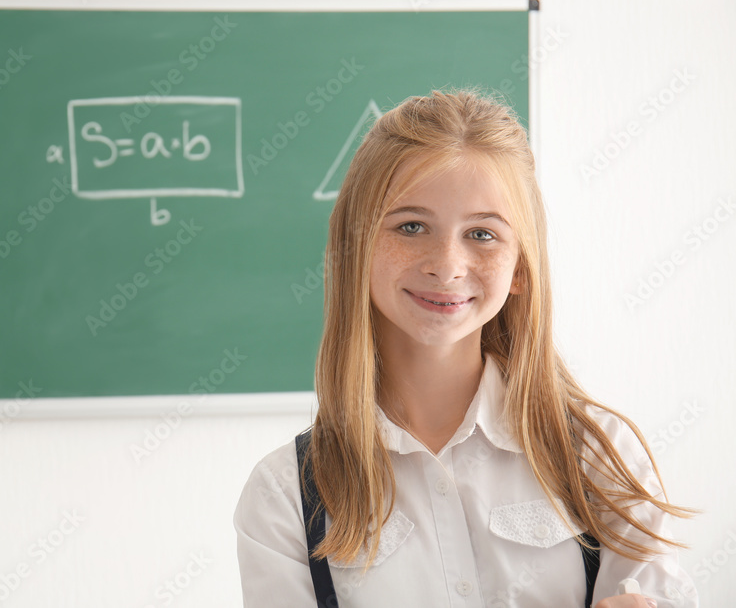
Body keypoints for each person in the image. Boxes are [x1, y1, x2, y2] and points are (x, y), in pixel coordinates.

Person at [233, 89, 699, 607]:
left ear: (520, 267)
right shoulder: (285, 496)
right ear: (355, 246)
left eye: (481, 234)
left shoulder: (598, 457)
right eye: (411, 227)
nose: (447, 265)